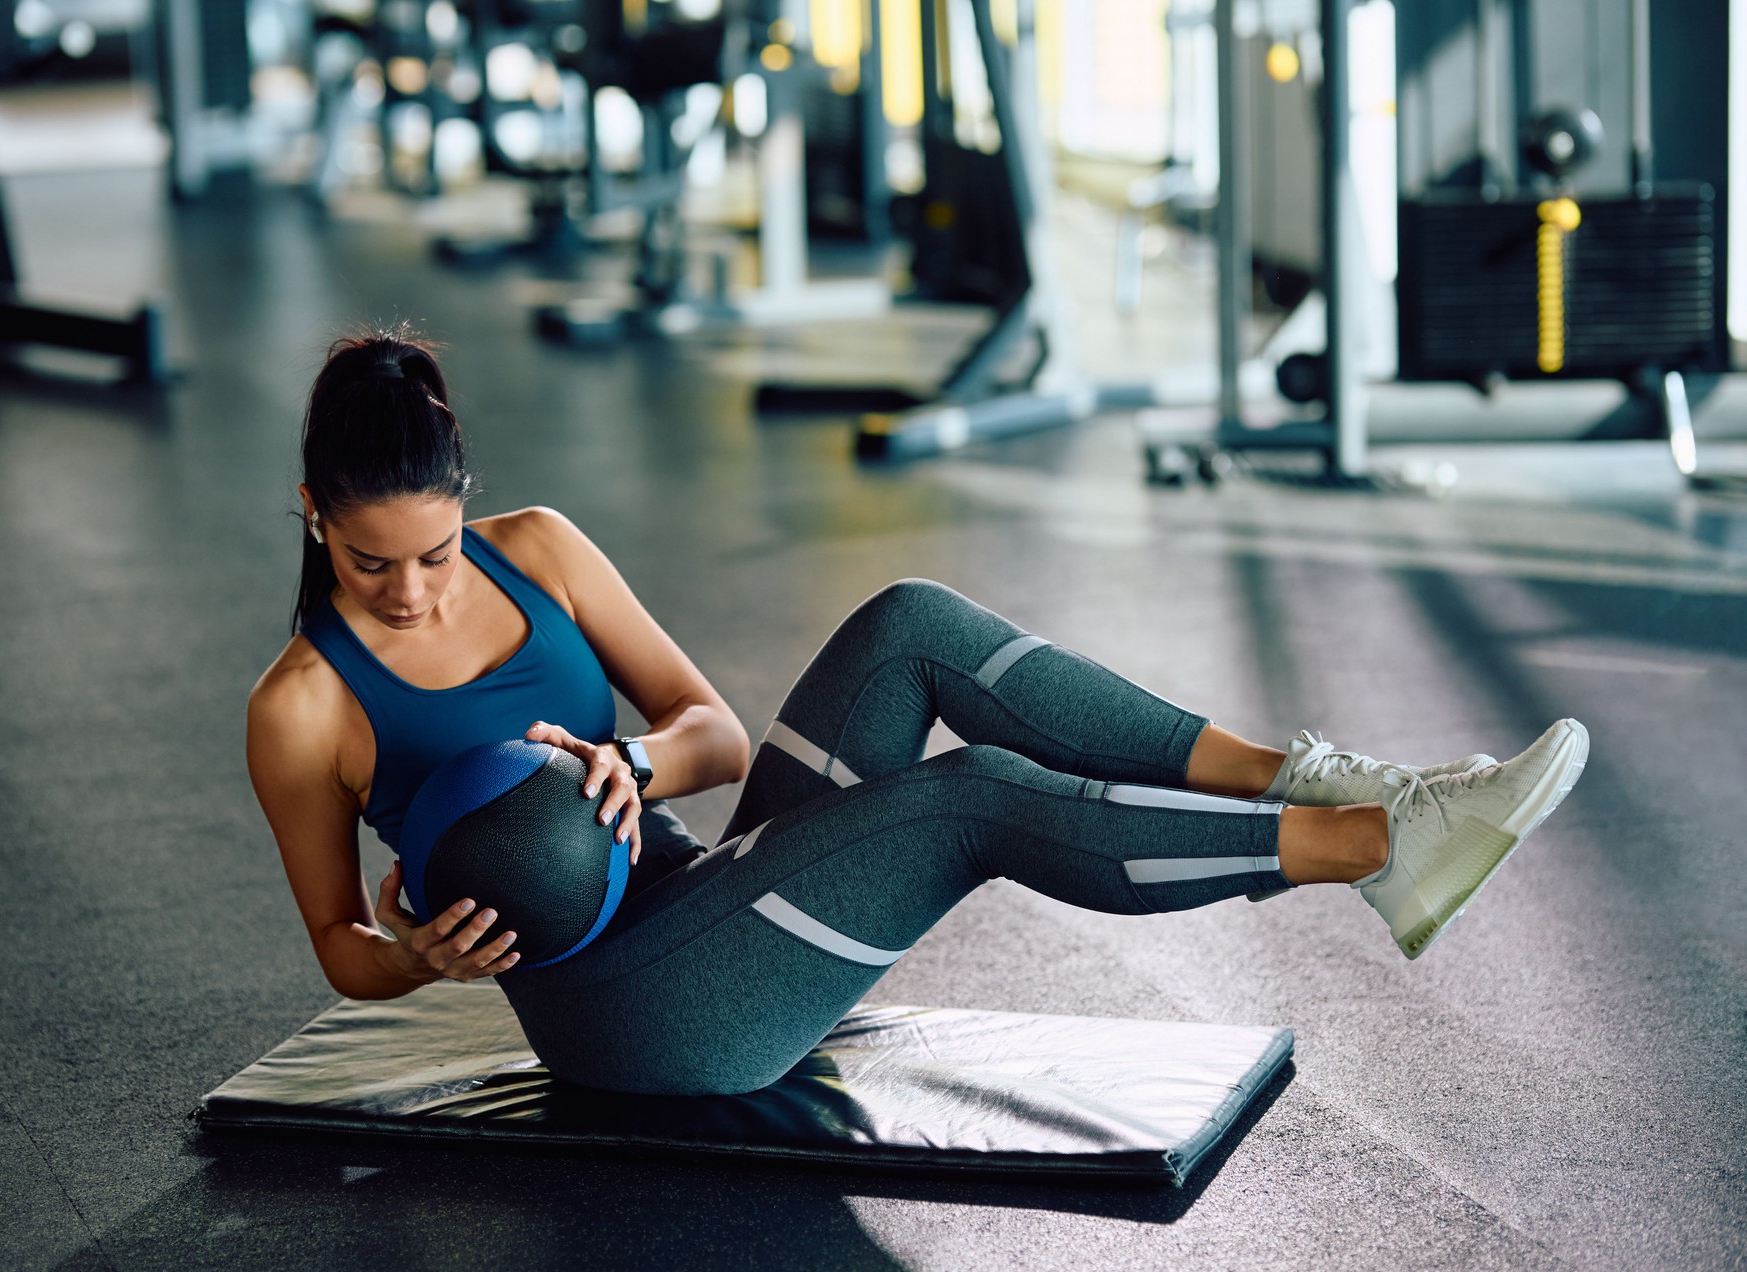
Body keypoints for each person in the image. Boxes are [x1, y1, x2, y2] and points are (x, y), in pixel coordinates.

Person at [246, 327, 1590, 1095]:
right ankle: (1372, 853)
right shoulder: (303, 707)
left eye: (434, 551)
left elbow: (707, 732)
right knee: (962, 803)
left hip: (708, 890)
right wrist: (417, 955)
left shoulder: (535, 551)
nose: (415, 592)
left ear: (466, 495)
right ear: (315, 513)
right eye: (373, 562)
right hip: (631, 1016)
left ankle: (1332, 784)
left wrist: (632, 766)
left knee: (910, 627)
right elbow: (338, 944)